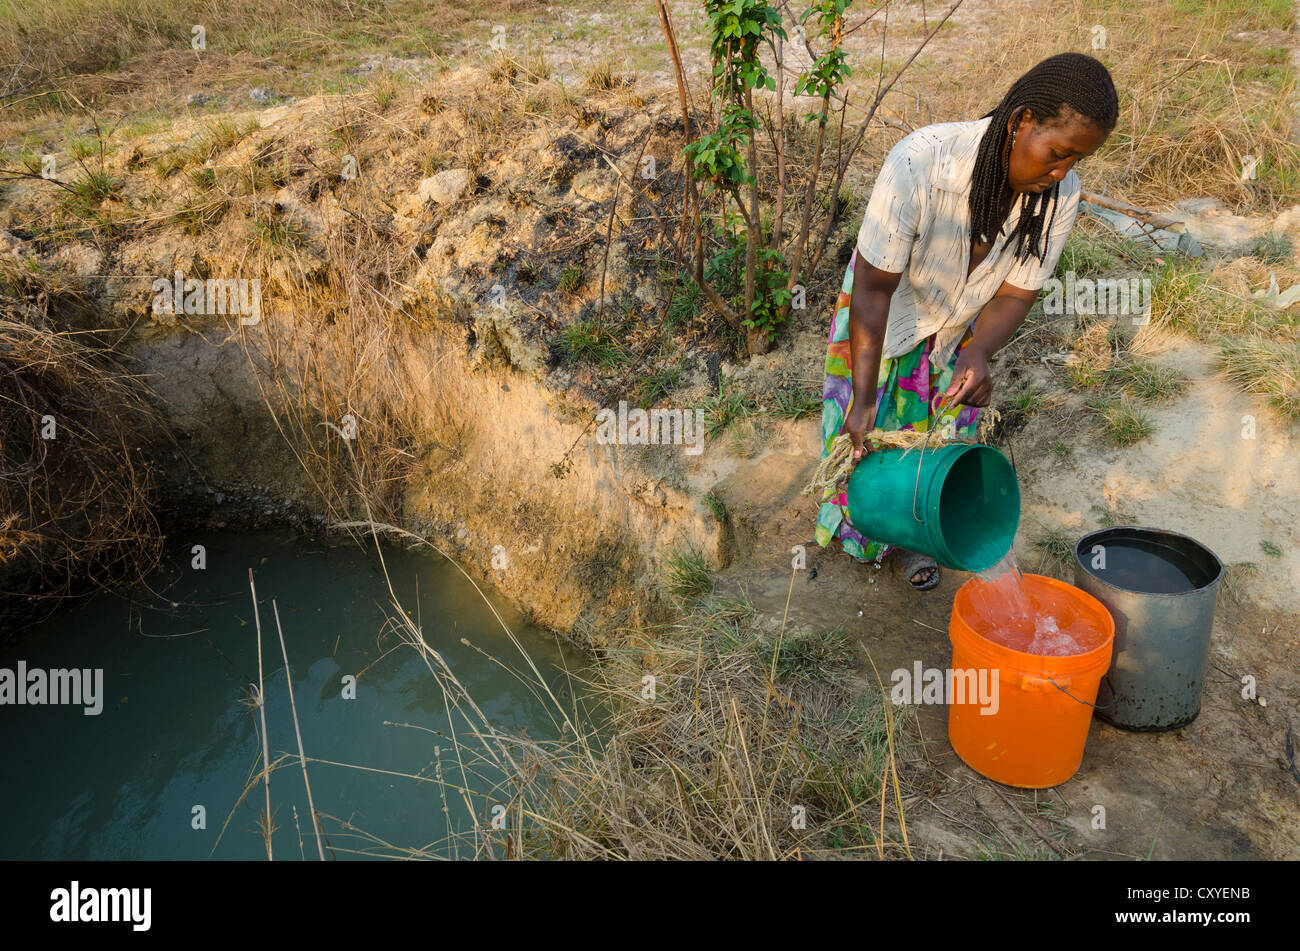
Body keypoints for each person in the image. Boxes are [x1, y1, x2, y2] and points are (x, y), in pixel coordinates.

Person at [815, 52, 1118, 590]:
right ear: (1022, 120)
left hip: (961, 326)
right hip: (886, 312)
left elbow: (1016, 294)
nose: (1061, 173)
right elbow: (872, 291)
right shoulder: (921, 162)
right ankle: (861, 527)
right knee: (871, 430)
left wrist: (978, 351)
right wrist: (862, 400)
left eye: (1076, 162)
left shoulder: (1058, 197)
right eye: (1057, 154)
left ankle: (916, 535)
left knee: (939, 435)